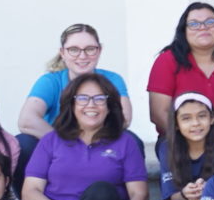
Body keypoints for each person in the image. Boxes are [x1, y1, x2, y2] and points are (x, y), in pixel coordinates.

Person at [18, 72, 147, 200]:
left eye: (99, 98)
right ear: (71, 104)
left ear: (109, 105)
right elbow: (30, 192)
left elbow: (139, 195)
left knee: (101, 192)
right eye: (82, 98)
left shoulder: (125, 142)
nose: (91, 105)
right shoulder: (51, 140)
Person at [146, 2, 214, 143]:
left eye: (210, 22)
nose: (203, 27)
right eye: (194, 24)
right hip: (180, 142)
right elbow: (158, 113)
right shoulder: (167, 60)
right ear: (183, 30)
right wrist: (192, 144)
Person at [17, 24, 133, 153]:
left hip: (100, 143)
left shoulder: (112, 79)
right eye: (73, 49)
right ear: (62, 53)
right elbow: (27, 120)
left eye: (90, 49)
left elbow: (124, 119)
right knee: (24, 142)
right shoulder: (50, 81)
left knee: (131, 140)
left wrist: (89, 143)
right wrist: (68, 145)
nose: (82, 56)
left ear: (99, 50)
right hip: (57, 147)